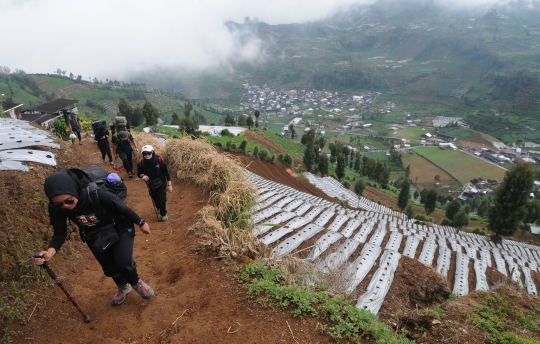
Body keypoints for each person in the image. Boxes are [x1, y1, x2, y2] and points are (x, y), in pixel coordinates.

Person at [33, 169, 154, 306]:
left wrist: (141, 222)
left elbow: (122, 208)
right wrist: (49, 253)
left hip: (120, 227)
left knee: (123, 263)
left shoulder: (96, 193)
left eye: (69, 201)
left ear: (74, 190)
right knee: (109, 267)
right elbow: (60, 233)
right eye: (59, 204)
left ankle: (136, 282)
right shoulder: (56, 208)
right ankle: (123, 286)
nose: (65, 207)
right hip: (94, 234)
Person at [137, 145, 172, 222]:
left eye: (149, 153)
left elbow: (167, 173)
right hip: (151, 183)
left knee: (161, 198)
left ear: (152, 152)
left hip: (161, 181)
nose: (147, 155)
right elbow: (139, 173)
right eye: (144, 154)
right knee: (154, 197)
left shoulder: (160, 160)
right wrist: (143, 176)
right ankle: (158, 207)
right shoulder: (141, 163)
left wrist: (169, 185)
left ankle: (164, 215)